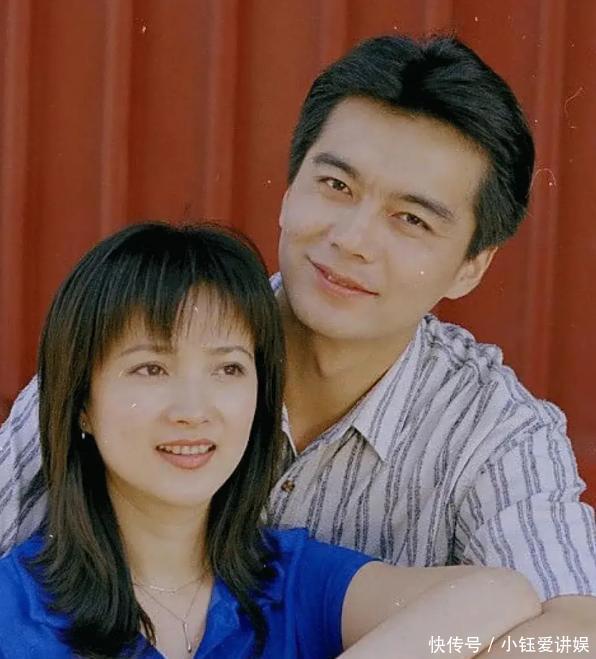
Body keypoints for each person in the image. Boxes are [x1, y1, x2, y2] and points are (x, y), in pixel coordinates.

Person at [2, 33, 596, 647]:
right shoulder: (131, 355)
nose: (352, 239)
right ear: (288, 193)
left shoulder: (492, 430)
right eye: (336, 186)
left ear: (471, 266)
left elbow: (576, 632)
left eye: (411, 219)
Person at [0, 223, 541, 658]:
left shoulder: (293, 583)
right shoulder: (14, 609)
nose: (194, 410)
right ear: (83, 404)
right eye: (151, 369)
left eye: (228, 369)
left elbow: (498, 593)